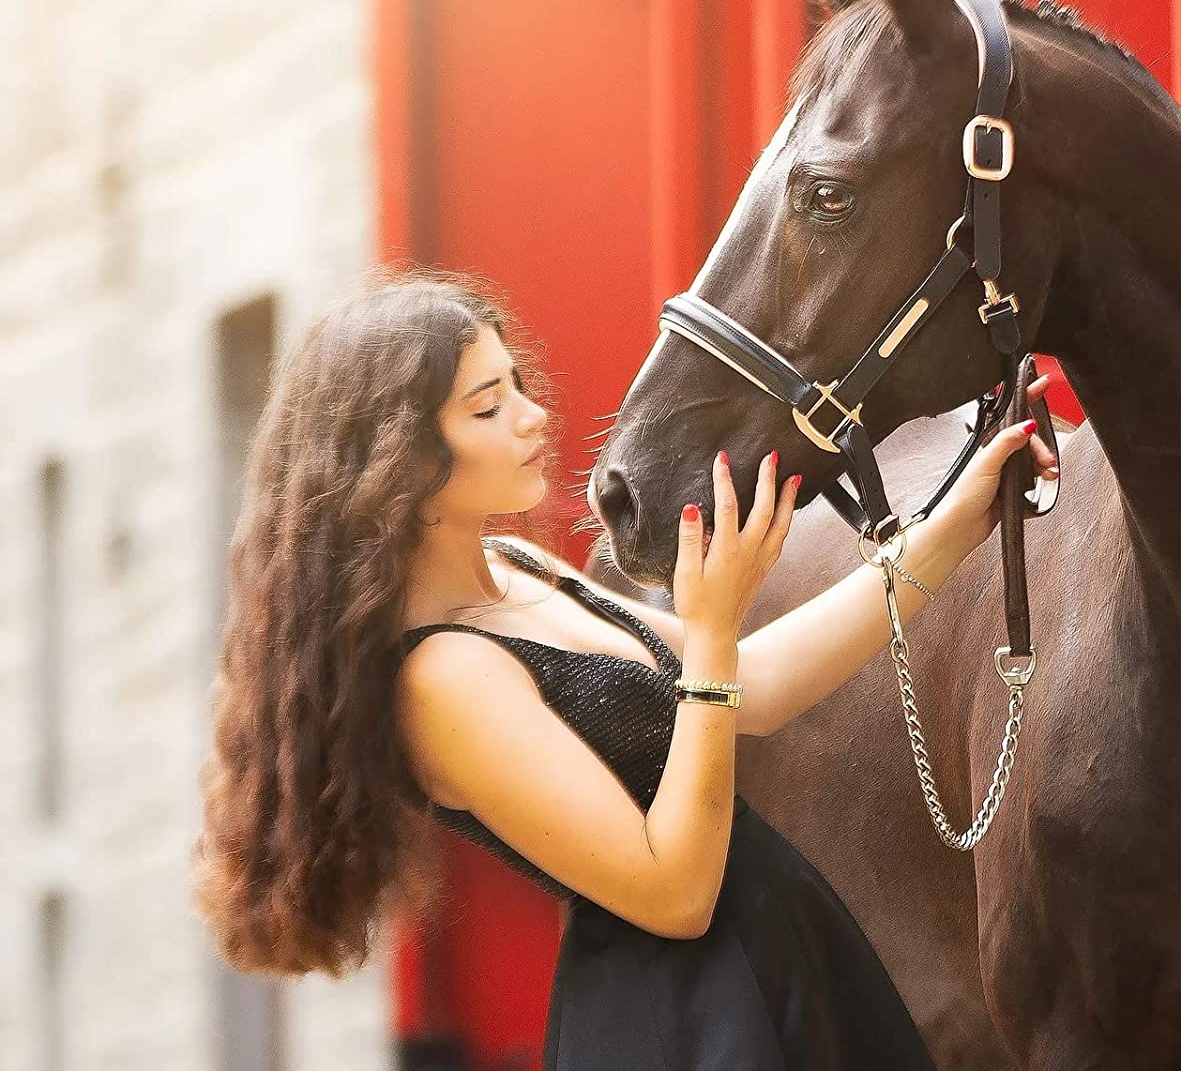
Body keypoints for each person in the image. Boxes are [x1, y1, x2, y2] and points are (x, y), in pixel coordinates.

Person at [192, 270, 1056, 1068]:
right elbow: (671, 892)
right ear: (399, 460)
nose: (533, 417)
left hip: (786, 956)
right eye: (487, 408)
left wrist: (959, 520)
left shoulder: (522, 571)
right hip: (686, 1024)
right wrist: (709, 638)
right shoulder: (441, 678)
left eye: (517, 387)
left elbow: (757, 686)